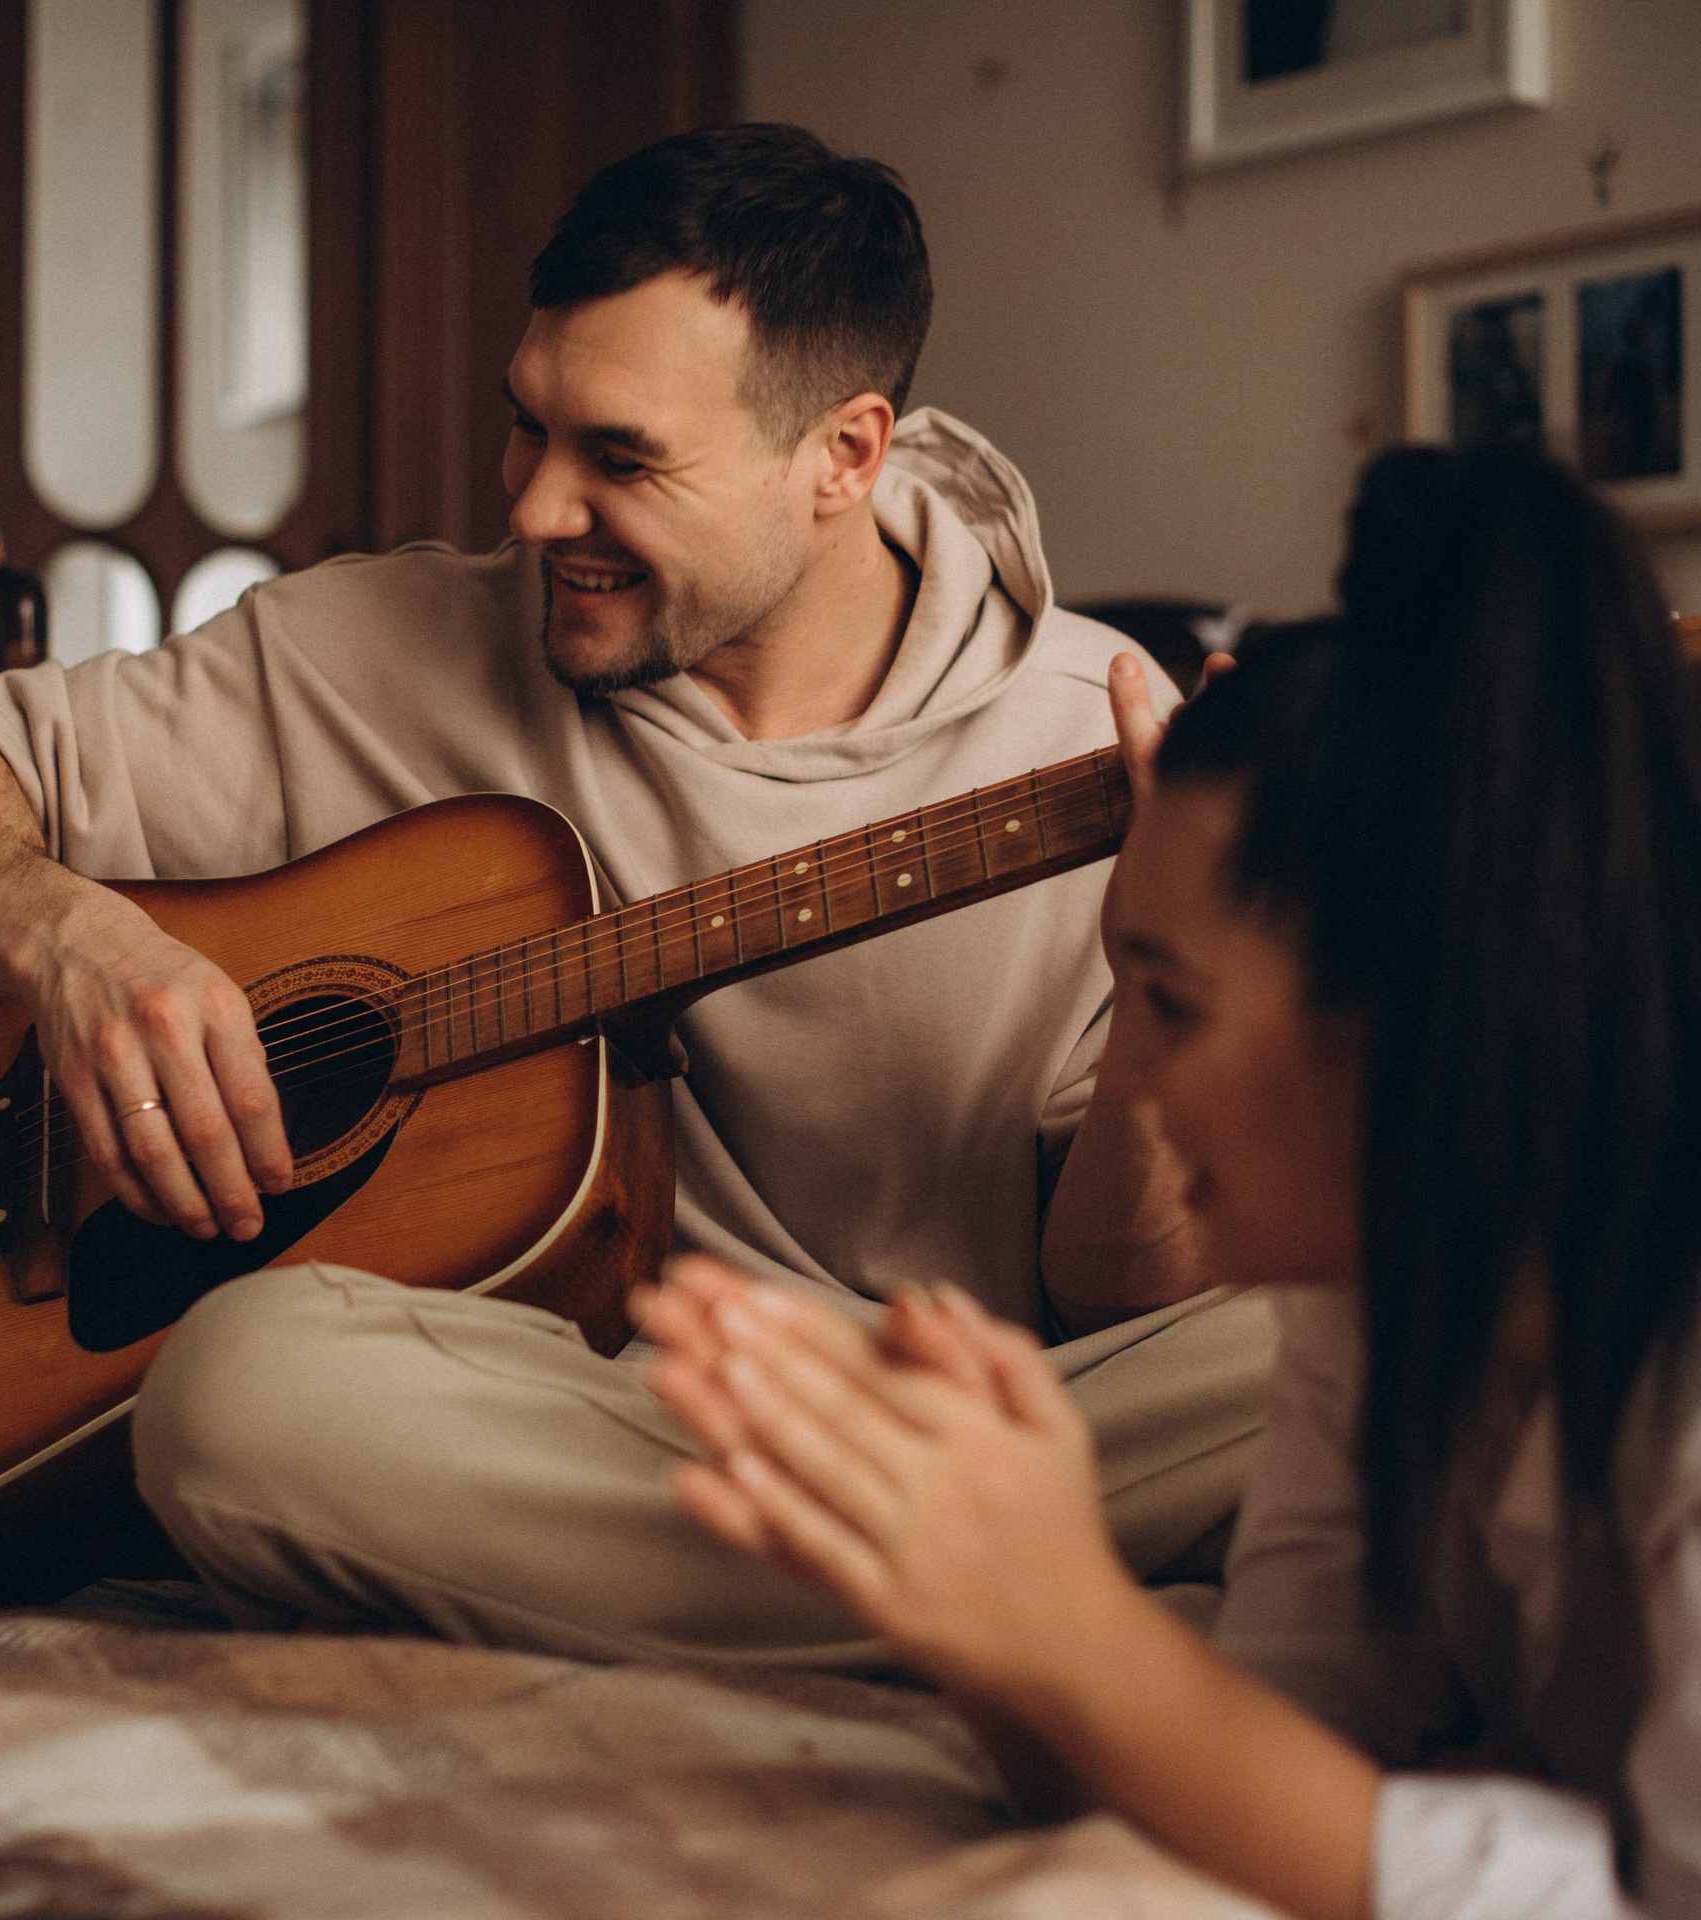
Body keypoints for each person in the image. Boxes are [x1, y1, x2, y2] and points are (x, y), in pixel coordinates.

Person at [0, 123, 1273, 1662]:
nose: (534, 510)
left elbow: (1122, 1308)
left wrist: (1171, 987)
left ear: (843, 456)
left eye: (619, 459)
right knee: (240, 1388)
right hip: (559, 1429)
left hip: (945, 1428)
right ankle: (1018, 1610)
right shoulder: (376, 646)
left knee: (1348, 1334)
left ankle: (916, 1582)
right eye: (526, 426)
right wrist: (71, 940)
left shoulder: (1106, 738)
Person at [643, 444, 1701, 1915]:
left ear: (1424, 1020)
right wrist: (985, 1615)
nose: (1122, 1078)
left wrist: (1087, 1635)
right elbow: (1264, 1758)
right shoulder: (1365, 1298)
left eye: (1171, 1004)